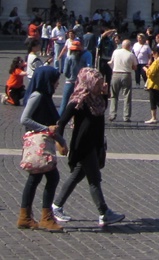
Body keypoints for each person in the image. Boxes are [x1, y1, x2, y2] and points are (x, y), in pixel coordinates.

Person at [52, 67, 126, 227]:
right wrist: (61, 141)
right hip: (83, 145)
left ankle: (56, 205)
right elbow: (62, 122)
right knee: (94, 179)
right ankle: (104, 212)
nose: (101, 86)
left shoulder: (97, 99)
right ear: (89, 83)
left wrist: (105, 94)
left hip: (95, 143)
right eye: (98, 84)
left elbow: (101, 111)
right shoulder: (78, 101)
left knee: (77, 176)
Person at [18, 65, 67, 230]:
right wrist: (45, 129)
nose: (56, 85)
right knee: (50, 178)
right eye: (55, 82)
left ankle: (25, 217)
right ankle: (45, 218)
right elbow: (24, 119)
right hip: (38, 144)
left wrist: (61, 140)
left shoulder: (44, 96)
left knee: (36, 178)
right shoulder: (37, 96)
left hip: (44, 144)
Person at [109, 38, 137, 121]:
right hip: (126, 75)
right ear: (129, 46)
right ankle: (126, 116)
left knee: (114, 95)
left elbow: (112, 62)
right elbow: (135, 67)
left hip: (115, 74)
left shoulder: (115, 52)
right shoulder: (131, 54)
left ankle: (112, 114)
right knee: (127, 96)